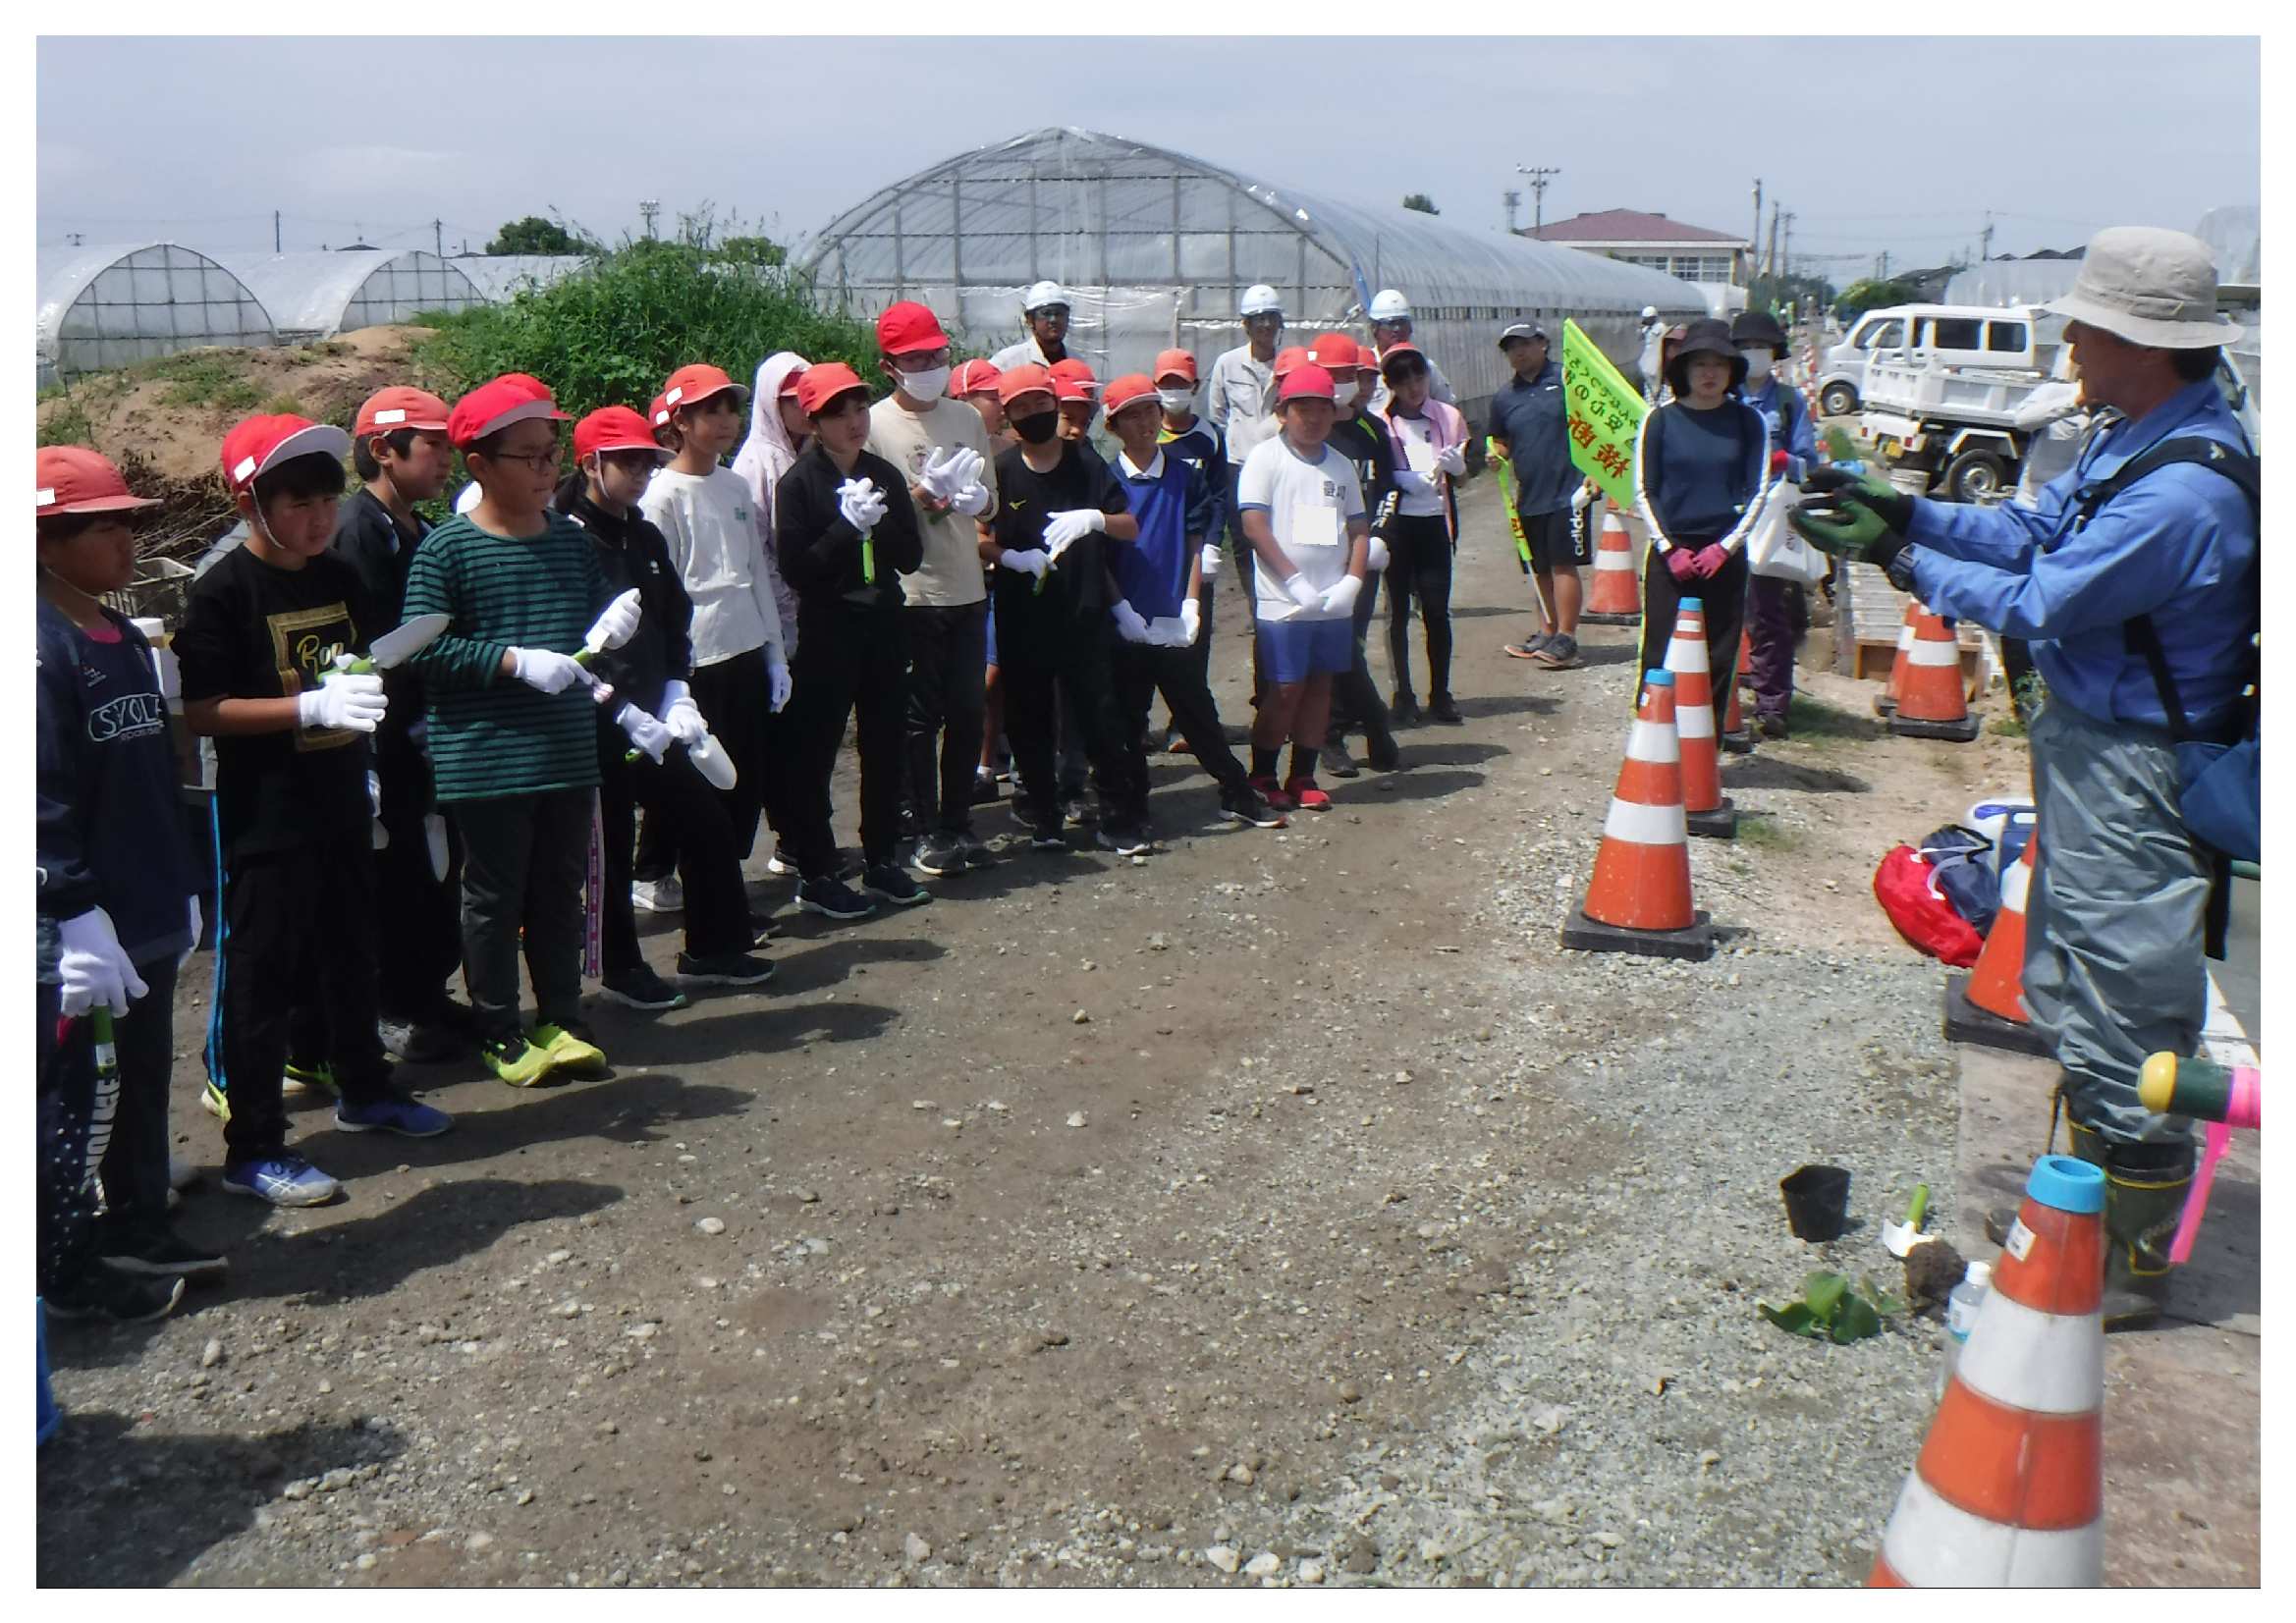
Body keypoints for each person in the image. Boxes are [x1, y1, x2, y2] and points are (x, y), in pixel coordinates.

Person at [1789, 227, 2258, 1329]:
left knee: (2125, 1009)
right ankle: (2079, 1218)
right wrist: (1908, 512)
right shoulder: (2136, 439)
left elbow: (2043, 597)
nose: (2072, 348)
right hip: (2094, 751)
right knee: (2073, 981)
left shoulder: (2185, 493)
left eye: (2084, 330)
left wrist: (1898, 558)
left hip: (2138, 768)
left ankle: (2124, 1268)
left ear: (2136, 342)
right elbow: (2030, 527)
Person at [177, 413, 453, 1207]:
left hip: (341, 800)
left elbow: (365, 662)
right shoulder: (222, 591)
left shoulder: (337, 576)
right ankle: (254, 1146)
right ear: (250, 503)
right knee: (265, 978)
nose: (319, 515)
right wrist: (303, 711)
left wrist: (365, 707)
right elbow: (203, 708)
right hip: (266, 815)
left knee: (352, 953)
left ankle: (365, 1090)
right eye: (297, 501)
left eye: (326, 497)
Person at [400, 375, 636, 1088]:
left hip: (567, 751)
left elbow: (593, 634)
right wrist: (508, 660)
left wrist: (612, 632)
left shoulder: (569, 543)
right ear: (479, 464)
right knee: (494, 896)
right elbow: (420, 649)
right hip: (487, 758)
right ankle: (500, 1028)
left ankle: (561, 1016)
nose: (547, 469)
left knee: (561, 890)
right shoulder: (446, 551)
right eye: (528, 457)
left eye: (550, 453)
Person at [37, 447, 209, 1316]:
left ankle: (139, 1203)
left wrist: (179, 873)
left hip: (145, 893)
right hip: (86, 915)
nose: (125, 538)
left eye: (126, 520)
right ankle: (83, 1252)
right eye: (103, 525)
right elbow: (39, 794)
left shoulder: (119, 634)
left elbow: (153, 767)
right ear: (45, 539)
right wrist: (69, 908)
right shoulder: (40, 648)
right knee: (85, 1081)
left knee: (144, 1066)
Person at [558, 406, 773, 1008]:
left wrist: (677, 688)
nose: (640, 474)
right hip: (598, 719)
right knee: (608, 844)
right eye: (625, 462)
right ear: (590, 464)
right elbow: (568, 641)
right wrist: (618, 707)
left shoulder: (641, 534)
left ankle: (713, 947)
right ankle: (620, 968)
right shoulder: (567, 539)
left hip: (656, 713)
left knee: (705, 820)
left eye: (646, 461)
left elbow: (676, 618)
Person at [331, 386, 472, 1060]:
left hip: (422, 729)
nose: (447, 458)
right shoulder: (360, 533)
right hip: (385, 736)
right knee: (400, 875)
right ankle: (398, 1008)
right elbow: (372, 644)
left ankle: (428, 994)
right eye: (434, 444)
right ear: (384, 451)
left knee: (433, 869)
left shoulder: (414, 527)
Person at [774, 362, 930, 916]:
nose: (854, 421)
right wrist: (845, 529)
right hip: (828, 629)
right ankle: (816, 869)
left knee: (885, 745)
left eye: (860, 408)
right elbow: (798, 570)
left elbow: (910, 556)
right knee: (816, 752)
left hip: (884, 623)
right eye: (838, 413)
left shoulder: (883, 475)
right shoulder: (798, 484)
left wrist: (878, 523)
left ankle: (883, 858)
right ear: (813, 421)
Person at [1100, 373, 1286, 833]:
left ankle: (1236, 792)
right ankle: (1133, 807)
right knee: (1127, 719)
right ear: (1114, 425)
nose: (1145, 421)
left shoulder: (1185, 477)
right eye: (1133, 414)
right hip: (1125, 622)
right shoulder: (1105, 481)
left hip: (1173, 617)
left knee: (1196, 711)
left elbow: (1196, 536)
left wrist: (1191, 603)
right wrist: (1119, 608)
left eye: (1150, 411)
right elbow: (1098, 555)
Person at [865, 300, 1000, 878]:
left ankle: (957, 822)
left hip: (967, 585)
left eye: (936, 354)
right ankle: (920, 828)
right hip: (913, 591)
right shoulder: (872, 426)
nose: (929, 365)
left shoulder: (966, 419)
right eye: (915, 357)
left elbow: (989, 497)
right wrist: (920, 497)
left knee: (969, 711)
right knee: (920, 717)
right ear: (889, 366)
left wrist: (977, 502)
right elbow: (872, 519)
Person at [640, 364, 792, 881]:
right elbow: (663, 594)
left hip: (746, 646)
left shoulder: (733, 487)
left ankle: (727, 888)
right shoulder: (662, 496)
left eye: (731, 409)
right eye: (711, 410)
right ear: (680, 421)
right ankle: (701, 893)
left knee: (746, 779)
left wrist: (775, 653)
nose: (726, 420)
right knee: (703, 783)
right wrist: (670, 677)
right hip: (699, 660)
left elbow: (755, 574)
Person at [981, 363, 1140, 848]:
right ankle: (1043, 815)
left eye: (1040, 403)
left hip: (1081, 610)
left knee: (1096, 713)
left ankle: (1117, 814)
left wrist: (1095, 518)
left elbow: (1129, 525)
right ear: (1007, 415)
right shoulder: (1002, 471)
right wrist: (1009, 556)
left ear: (1055, 403)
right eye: (1021, 407)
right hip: (1022, 616)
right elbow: (978, 536)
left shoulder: (1086, 463)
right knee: (1028, 718)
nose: (1034, 413)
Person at [1234, 362, 1370, 812]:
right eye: (1302, 409)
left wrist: (1352, 579)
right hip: (1283, 602)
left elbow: (1359, 528)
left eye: (1321, 409)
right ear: (1284, 412)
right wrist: (1292, 579)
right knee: (1286, 688)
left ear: (1333, 415)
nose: (1312, 418)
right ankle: (1261, 772)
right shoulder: (1265, 459)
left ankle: (1303, 774)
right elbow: (1254, 525)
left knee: (1320, 686)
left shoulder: (1342, 466)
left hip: (1330, 600)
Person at [1633, 319, 1770, 732]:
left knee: (1718, 653)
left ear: (1731, 372)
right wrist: (1668, 548)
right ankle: (1652, 743)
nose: (1709, 374)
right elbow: (1644, 489)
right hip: (1670, 553)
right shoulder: (1658, 421)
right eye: (1700, 364)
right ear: (1684, 371)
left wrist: (1724, 548)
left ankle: (1702, 753)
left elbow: (1758, 489)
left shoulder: (1749, 423)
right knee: (1661, 650)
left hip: (1723, 555)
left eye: (1719, 364)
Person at [729, 352, 814, 886]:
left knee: (801, 737)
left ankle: (797, 837)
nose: (804, 407)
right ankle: (786, 840)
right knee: (775, 740)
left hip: (808, 617)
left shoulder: (806, 454)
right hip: (772, 621)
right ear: (770, 402)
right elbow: (756, 551)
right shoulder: (757, 464)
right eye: (792, 398)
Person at [1308, 332, 1401, 775]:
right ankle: (1341, 734)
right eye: (1335, 375)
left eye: (1352, 376)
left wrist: (1380, 534)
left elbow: (1389, 488)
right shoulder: (1310, 431)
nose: (1344, 384)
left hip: (1364, 556)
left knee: (1350, 645)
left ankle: (1362, 727)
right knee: (1332, 647)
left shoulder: (1372, 430)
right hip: (1320, 555)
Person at [1732, 309, 1818, 738]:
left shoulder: (1788, 402)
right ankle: (1719, 698)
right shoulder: (1721, 397)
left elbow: (1810, 463)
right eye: (1744, 348)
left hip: (1767, 519)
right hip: (1724, 518)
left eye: (1760, 349)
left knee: (1768, 613)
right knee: (1721, 613)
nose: (1753, 356)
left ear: (1775, 354)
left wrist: (1786, 462)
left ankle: (1772, 702)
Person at [1375, 343, 1470, 725]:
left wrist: (1460, 468)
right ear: (1390, 385)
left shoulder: (1447, 416)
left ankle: (1441, 693)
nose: (1414, 386)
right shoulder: (1381, 423)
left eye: (1418, 376)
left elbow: (1462, 479)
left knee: (1435, 610)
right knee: (1396, 611)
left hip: (1434, 523)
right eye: (1403, 380)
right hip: (1397, 527)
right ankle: (1403, 694)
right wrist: (1398, 479)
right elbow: (1376, 476)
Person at [1485, 322, 1587, 671]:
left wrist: (1595, 476)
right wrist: (1496, 454)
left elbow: (1592, 425)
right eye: (1512, 347)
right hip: (1529, 494)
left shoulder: (1568, 380)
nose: (1519, 352)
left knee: (1562, 563)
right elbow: (1501, 440)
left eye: (1526, 344)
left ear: (1543, 343)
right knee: (1538, 566)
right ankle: (1547, 630)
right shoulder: (1504, 397)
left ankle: (1567, 637)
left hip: (1569, 491)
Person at [1149, 349, 1228, 752]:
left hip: (1195, 555)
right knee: (1146, 638)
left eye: (1181, 384)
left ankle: (1184, 724)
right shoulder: (1148, 432)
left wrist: (1213, 543)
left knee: (1193, 640)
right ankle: (1141, 721)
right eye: (1166, 384)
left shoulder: (1210, 436)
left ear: (1195, 388)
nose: (1173, 391)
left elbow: (1218, 495)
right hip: (1156, 553)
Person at [1208, 285, 1285, 613]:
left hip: (1281, 463)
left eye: (1271, 318)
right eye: (1258, 319)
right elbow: (1217, 414)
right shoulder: (1228, 364)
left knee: (1280, 530)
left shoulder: (1288, 364)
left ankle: (1281, 594)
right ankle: (1257, 605)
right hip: (1238, 466)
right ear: (1245, 325)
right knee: (1242, 539)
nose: (1265, 326)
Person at [1363, 289, 1456, 412]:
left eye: (1402, 323)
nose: (1397, 329)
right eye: (1390, 324)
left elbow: (1448, 407)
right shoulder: (1368, 368)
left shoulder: (1426, 367)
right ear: (1375, 329)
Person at [991, 281, 1073, 372]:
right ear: (1030, 319)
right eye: (1046, 313)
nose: (1053, 320)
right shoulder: (1007, 363)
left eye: (1059, 313)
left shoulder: (1078, 363)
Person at [1636, 305, 1667, 403]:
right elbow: (1639, 337)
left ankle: (1659, 402)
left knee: (1659, 388)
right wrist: (1641, 329)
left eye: (1648, 319)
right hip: (1648, 363)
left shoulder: (1661, 327)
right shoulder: (1646, 329)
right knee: (1649, 388)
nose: (1646, 320)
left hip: (1657, 361)